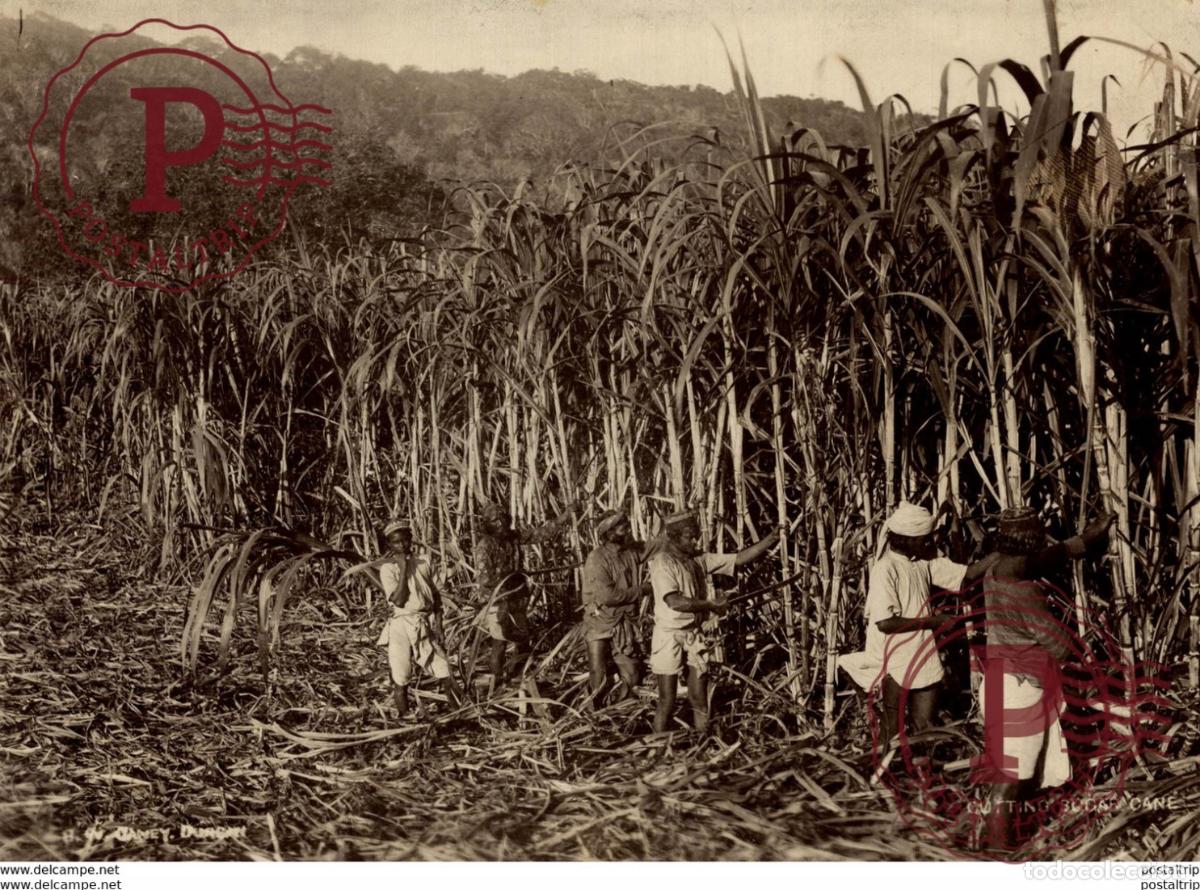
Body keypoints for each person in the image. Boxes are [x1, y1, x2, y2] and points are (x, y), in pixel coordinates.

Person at [977, 506, 1116, 853]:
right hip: (1020, 690)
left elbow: (1040, 561)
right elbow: (1061, 645)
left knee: (1010, 771)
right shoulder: (1023, 593)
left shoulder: (996, 571)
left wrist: (1083, 541)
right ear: (1031, 542)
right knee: (1013, 778)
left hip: (1000, 682)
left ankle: (993, 840)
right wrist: (1097, 654)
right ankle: (999, 853)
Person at [860, 502, 995, 747]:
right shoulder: (885, 569)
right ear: (904, 539)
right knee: (893, 729)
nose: (930, 543)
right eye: (924, 539)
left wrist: (1005, 552)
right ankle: (885, 777)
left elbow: (969, 574)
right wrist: (934, 621)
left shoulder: (922, 561)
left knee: (925, 725)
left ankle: (920, 776)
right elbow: (885, 623)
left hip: (923, 653)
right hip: (895, 659)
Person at [647, 508, 779, 734]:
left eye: (695, 535)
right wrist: (711, 605)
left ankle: (703, 742)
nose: (694, 541)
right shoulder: (662, 563)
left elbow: (738, 559)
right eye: (689, 537)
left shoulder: (698, 559)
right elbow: (675, 602)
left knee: (699, 697)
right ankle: (661, 752)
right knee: (667, 700)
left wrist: (771, 539)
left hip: (693, 634)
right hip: (668, 635)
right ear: (674, 537)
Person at [475, 499, 576, 685]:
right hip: (497, 602)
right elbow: (485, 582)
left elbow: (540, 534)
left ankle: (518, 677)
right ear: (487, 524)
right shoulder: (484, 547)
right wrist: (502, 599)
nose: (501, 524)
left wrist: (564, 517)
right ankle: (496, 683)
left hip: (517, 597)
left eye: (503, 519)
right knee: (500, 643)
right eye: (496, 521)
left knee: (522, 640)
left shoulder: (513, 537)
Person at [374, 520, 463, 719]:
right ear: (389, 545)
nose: (402, 545)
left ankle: (459, 711)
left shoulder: (424, 561)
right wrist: (404, 568)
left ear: (411, 539)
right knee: (401, 675)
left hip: (422, 622)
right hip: (400, 625)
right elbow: (398, 600)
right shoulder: (388, 569)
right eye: (396, 542)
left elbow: (436, 595)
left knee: (443, 668)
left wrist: (439, 626)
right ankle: (404, 716)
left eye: (405, 540)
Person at [581, 509, 649, 706]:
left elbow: (658, 545)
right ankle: (596, 710)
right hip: (599, 622)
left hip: (624, 621)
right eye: (623, 528)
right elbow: (608, 597)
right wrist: (642, 590)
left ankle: (622, 711)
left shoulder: (631, 552)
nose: (628, 531)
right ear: (609, 534)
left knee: (632, 673)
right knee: (597, 671)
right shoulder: (596, 559)